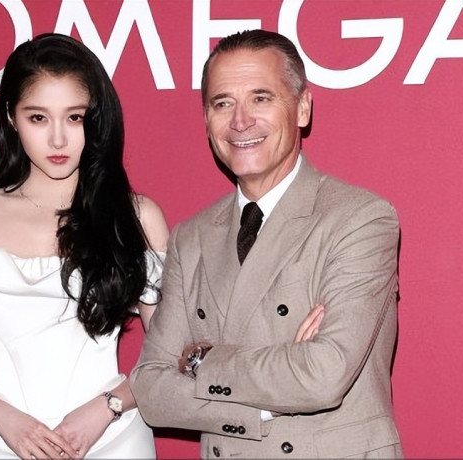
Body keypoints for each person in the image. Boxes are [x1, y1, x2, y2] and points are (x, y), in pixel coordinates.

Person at [130, 29, 403, 459]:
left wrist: (202, 361)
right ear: (206, 120)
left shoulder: (359, 218)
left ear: (302, 108)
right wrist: (266, 398)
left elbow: (323, 376)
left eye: (261, 98)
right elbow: (150, 389)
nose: (240, 121)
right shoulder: (191, 236)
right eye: (222, 103)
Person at [0, 33, 170, 459]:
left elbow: (169, 355)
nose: (58, 140)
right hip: (4, 443)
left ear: (95, 119)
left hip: (113, 437)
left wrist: (106, 408)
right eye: (38, 118)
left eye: (74, 117)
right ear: (11, 117)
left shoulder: (136, 216)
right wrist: (4, 418)